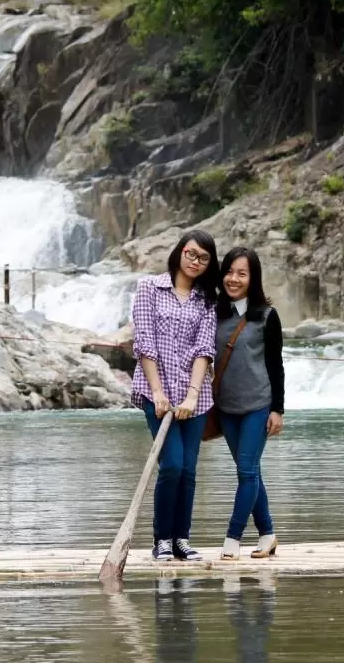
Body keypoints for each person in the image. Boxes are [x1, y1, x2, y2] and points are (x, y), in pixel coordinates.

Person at [130, 229, 220, 561]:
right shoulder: (149, 288)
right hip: (156, 391)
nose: (195, 261)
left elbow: (204, 348)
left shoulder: (207, 299)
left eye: (204, 258)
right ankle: (162, 540)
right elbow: (144, 342)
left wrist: (193, 395)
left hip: (194, 396)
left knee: (189, 469)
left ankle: (182, 539)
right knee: (172, 464)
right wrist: (158, 393)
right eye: (191, 254)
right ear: (179, 252)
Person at [214, 247, 285, 561]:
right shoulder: (214, 312)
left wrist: (277, 409)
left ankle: (233, 538)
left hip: (258, 404)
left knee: (245, 472)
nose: (234, 278)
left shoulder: (267, 316)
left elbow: (275, 364)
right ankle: (268, 534)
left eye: (242, 273)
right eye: (230, 271)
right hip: (226, 407)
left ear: (253, 278)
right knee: (250, 472)